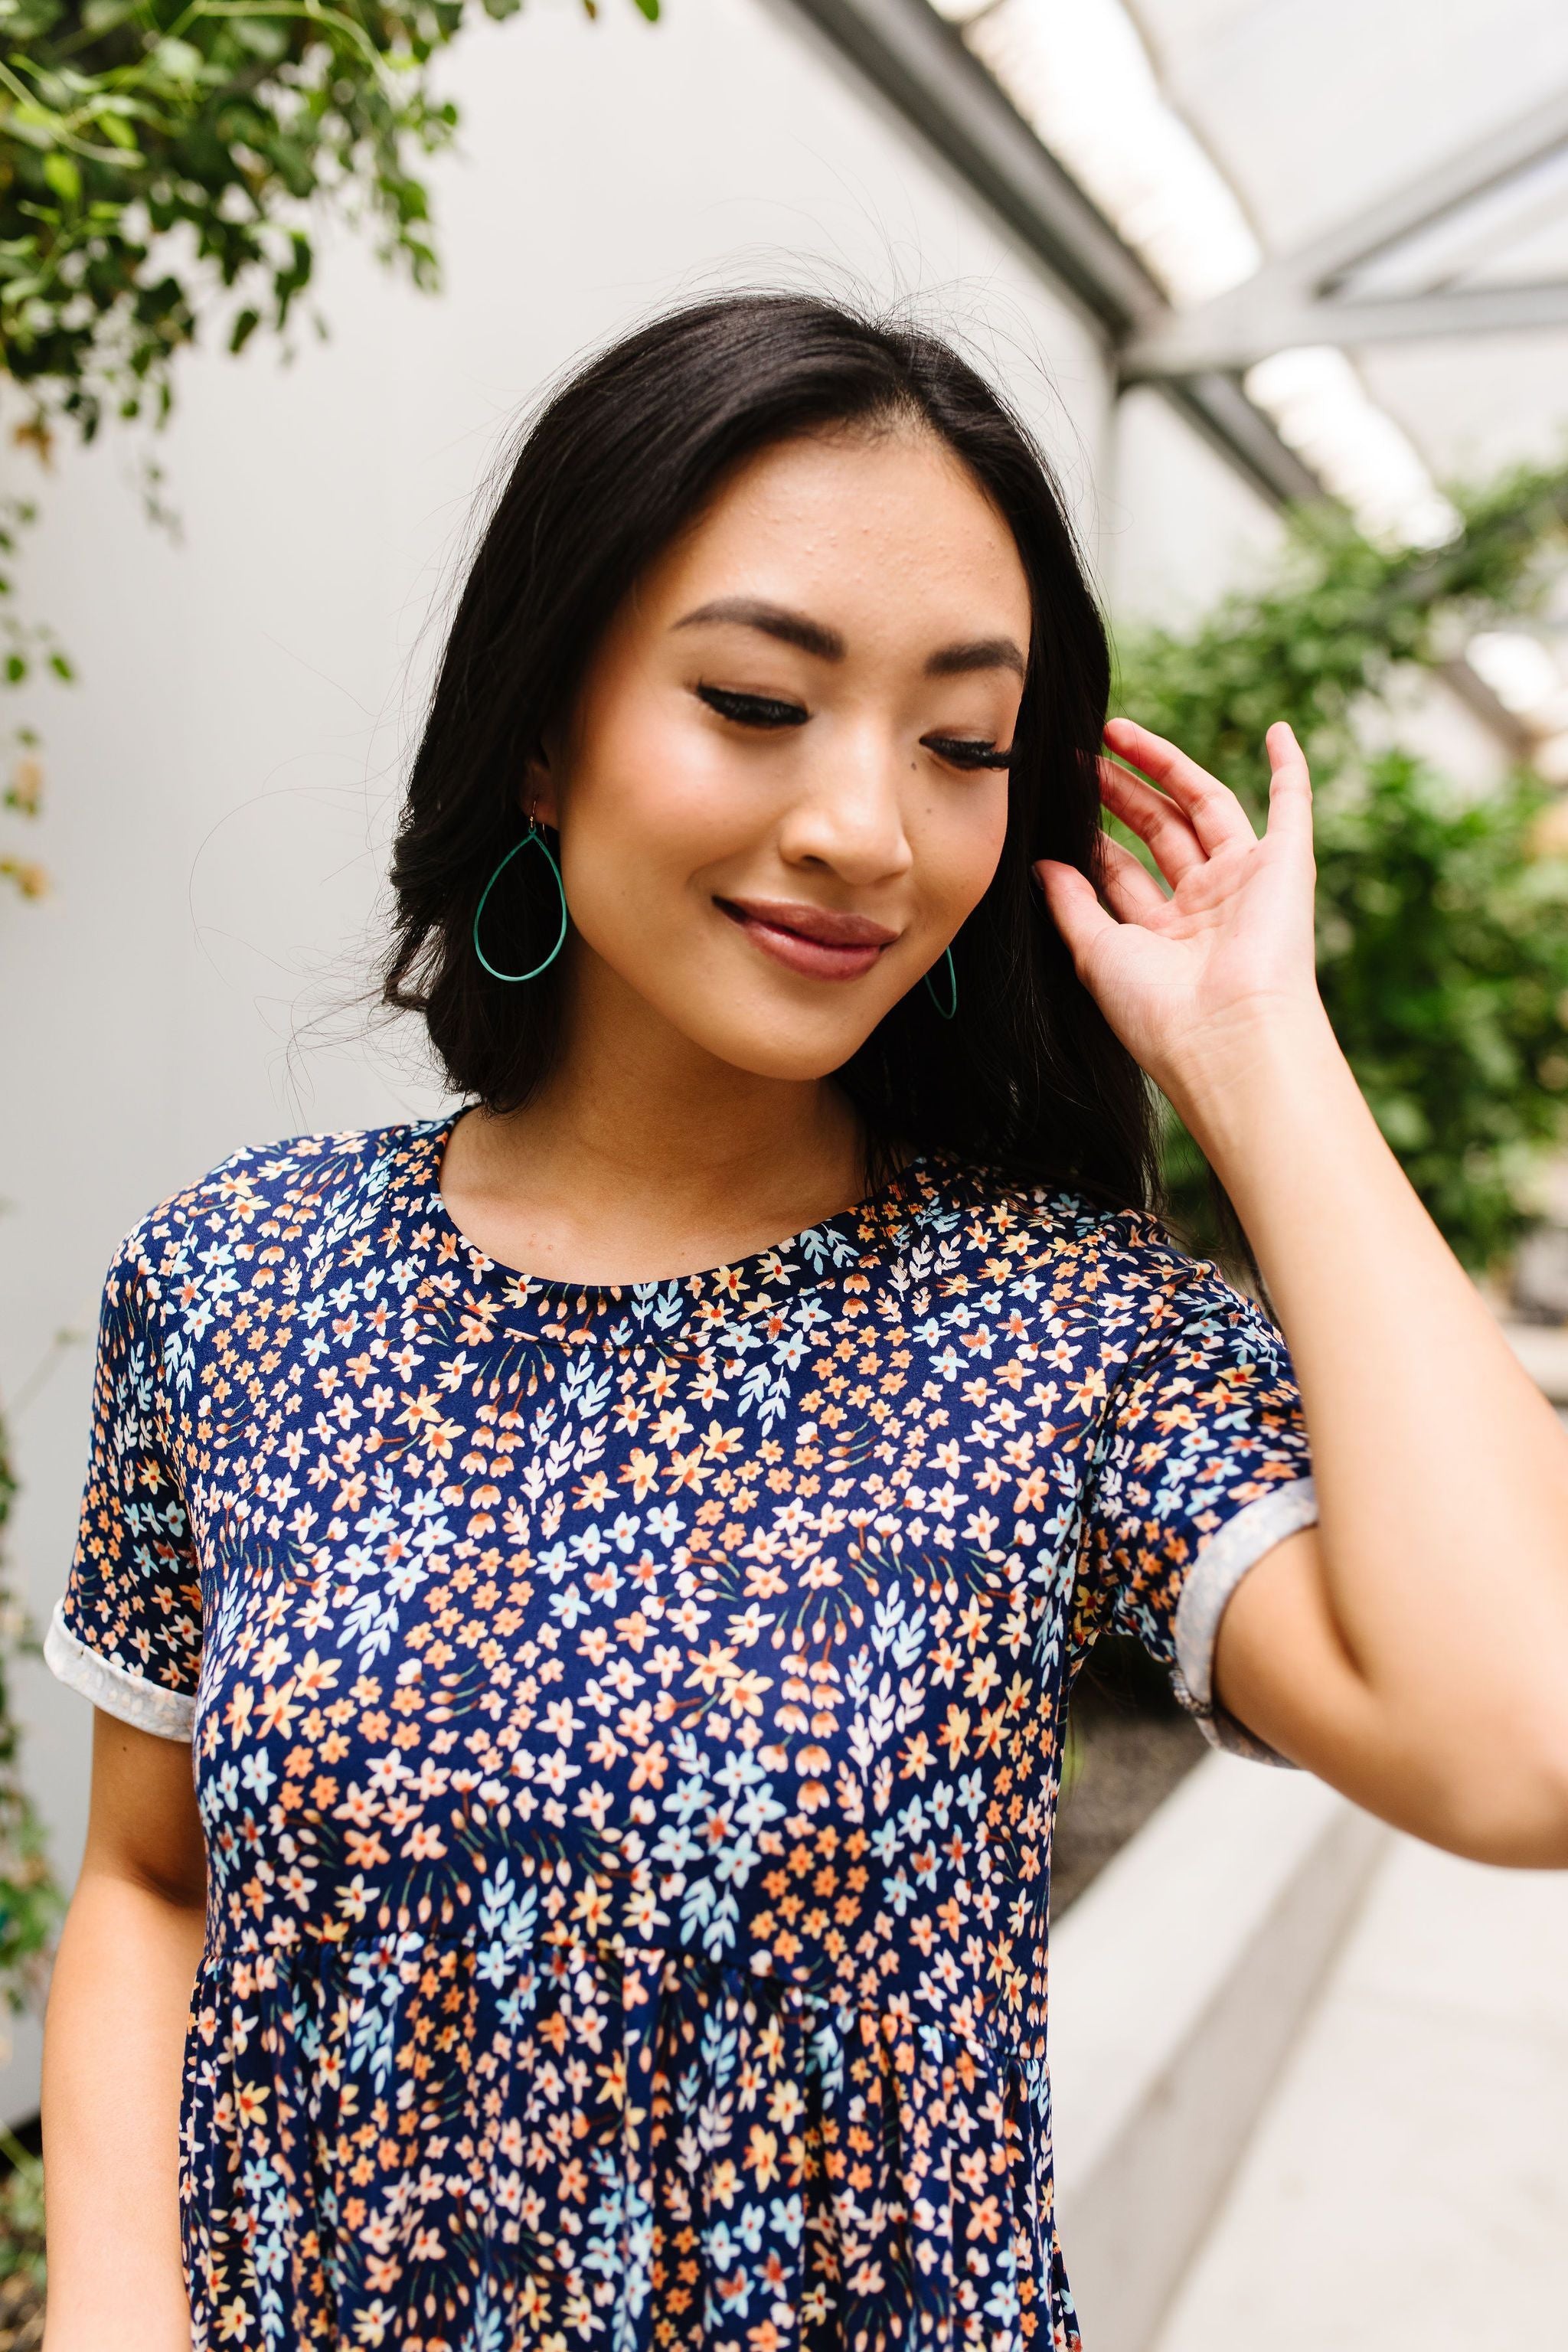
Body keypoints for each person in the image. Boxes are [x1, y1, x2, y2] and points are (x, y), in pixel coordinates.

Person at [37, 292, 1568, 2352]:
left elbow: (1530, 1746)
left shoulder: (1065, 1330)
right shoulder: (236, 1283)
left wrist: (1256, 1051)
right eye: (760, 701)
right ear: (543, 732)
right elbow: (152, 1886)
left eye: (963, 745)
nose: (868, 827)